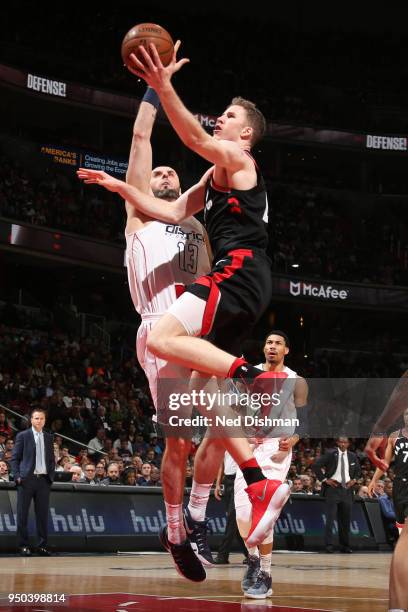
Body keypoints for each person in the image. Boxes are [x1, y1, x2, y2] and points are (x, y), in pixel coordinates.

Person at [77, 42, 291, 564]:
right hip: (195, 313)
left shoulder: (232, 164)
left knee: (196, 382)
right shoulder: (161, 211)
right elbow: (158, 185)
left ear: (244, 134)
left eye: (231, 116)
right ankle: (245, 487)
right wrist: (120, 186)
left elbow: (194, 136)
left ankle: (195, 511)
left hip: (218, 292)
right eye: (159, 173)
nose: (167, 174)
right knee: (198, 418)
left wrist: (163, 81)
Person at [234, 331, 308, 598]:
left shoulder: (295, 380)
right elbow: (236, 408)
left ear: (286, 350)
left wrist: (295, 439)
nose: (272, 347)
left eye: (277, 343)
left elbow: (306, 419)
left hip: (276, 448)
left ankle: (265, 571)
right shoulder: (250, 374)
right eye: (268, 342)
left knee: (262, 512)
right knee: (243, 516)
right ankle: (253, 559)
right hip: (247, 446)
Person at [365, 375, 408, 612]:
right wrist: (372, 480)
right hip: (401, 485)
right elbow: (385, 463)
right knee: (404, 536)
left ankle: (397, 606)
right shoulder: (395, 437)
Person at [10, 408, 55, 556]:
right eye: (36, 418)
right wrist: (17, 476)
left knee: (42, 515)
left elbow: (51, 460)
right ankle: (23, 545)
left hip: (43, 480)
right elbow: (14, 458)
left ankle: (42, 545)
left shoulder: (49, 437)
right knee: (22, 514)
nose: (39, 421)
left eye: (41, 418)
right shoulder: (23, 436)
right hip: (26, 480)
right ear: (31, 420)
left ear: (45, 420)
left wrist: (50, 477)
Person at [312, 437, 361, 554]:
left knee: (345, 520)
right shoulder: (330, 454)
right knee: (330, 519)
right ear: (338, 443)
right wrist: (324, 479)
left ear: (348, 444)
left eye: (345, 442)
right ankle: (329, 546)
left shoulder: (353, 456)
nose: (343, 444)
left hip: (347, 490)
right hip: (333, 489)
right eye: (341, 442)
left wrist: (354, 480)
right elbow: (316, 465)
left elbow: (358, 471)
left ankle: (345, 546)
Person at [214, 451, 247, 564]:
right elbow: (222, 463)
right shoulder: (224, 440)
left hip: (240, 479)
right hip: (227, 481)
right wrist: (218, 484)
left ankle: (222, 555)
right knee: (235, 521)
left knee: (232, 516)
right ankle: (251, 555)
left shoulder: (244, 438)